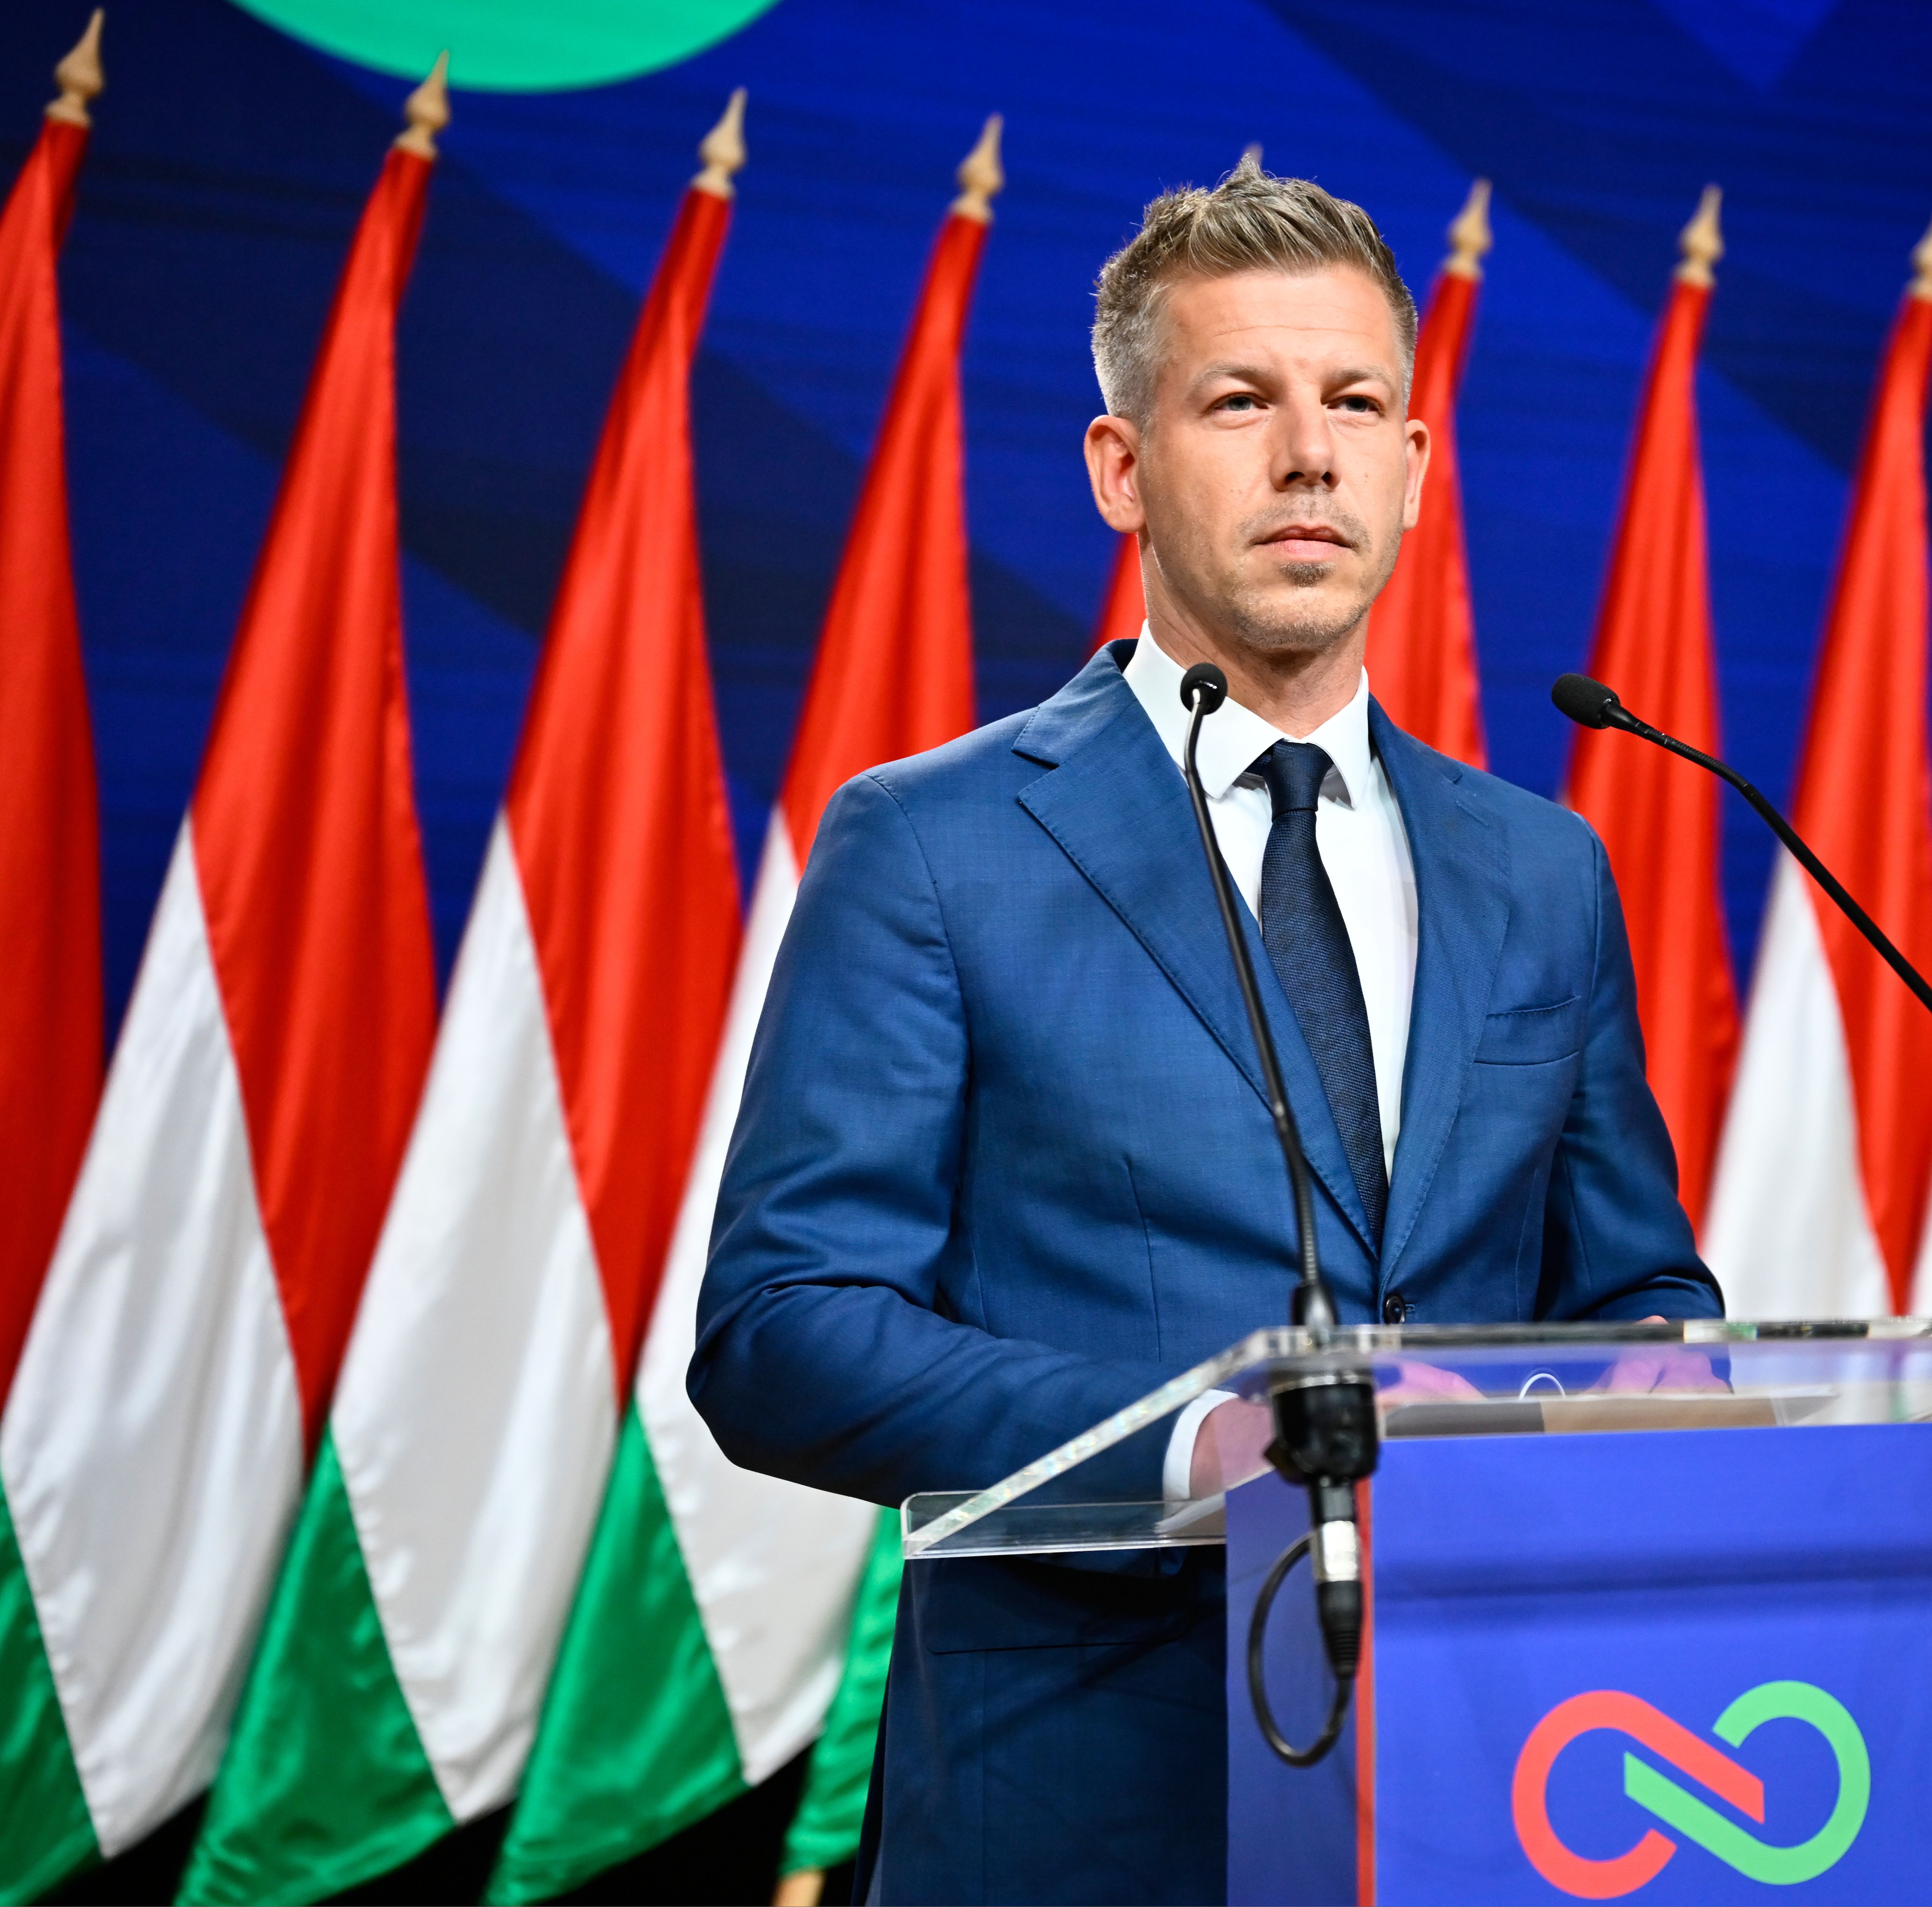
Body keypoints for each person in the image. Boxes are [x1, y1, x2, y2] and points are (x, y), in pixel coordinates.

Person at [693, 156, 1720, 1905]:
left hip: (1490, 1785)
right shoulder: (933, 844)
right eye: (1241, 401)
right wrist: (1200, 1443)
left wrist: (1662, 1388)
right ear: (1122, 468)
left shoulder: (1540, 868)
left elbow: (1633, 1284)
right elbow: (784, 1330)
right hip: (1081, 1813)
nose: (1309, 454)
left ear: (1414, 466)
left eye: (1356, 405)